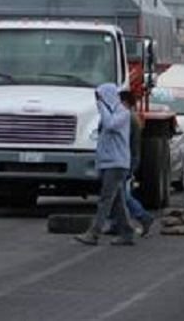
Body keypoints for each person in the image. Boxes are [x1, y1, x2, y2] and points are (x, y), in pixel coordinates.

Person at [75, 83, 135, 247]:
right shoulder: (110, 113)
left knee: (105, 200)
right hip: (108, 163)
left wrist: (102, 106)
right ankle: (127, 232)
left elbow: (110, 126)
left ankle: (94, 233)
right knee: (117, 201)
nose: (98, 101)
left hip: (117, 163)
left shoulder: (122, 112)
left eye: (100, 97)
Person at [120, 90, 154, 237]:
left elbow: (130, 144)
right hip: (126, 160)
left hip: (125, 161)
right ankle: (117, 223)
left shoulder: (130, 119)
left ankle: (143, 217)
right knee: (118, 194)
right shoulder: (131, 118)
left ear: (126, 102)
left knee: (121, 194)